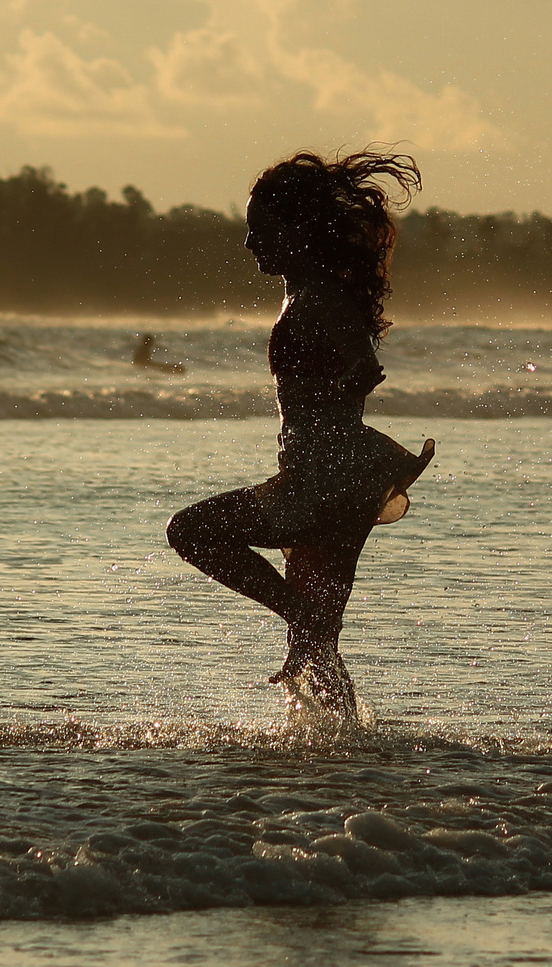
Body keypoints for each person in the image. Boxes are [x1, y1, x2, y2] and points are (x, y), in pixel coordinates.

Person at [165, 149, 434, 717]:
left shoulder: (318, 303)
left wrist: (345, 383)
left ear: (298, 230)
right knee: (317, 648)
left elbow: (348, 378)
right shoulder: (317, 295)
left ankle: (301, 625)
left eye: (259, 229)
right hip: (343, 473)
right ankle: (340, 752)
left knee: (190, 531)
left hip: (321, 479)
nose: (248, 243)